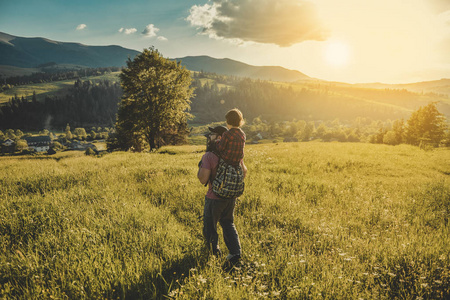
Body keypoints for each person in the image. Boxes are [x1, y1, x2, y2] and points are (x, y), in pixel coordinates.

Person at [197, 125, 247, 266]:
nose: (209, 137)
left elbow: (203, 179)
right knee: (228, 224)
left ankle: (214, 254)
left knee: (210, 227)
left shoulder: (209, 156)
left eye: (212, 135)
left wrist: (201, 168)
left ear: (220, 138)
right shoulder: (234, 156)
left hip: (214, 198)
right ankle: (235, 254)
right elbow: (244, 172)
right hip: (230, 198)